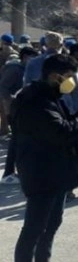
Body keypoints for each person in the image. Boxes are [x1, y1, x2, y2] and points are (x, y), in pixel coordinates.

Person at [10, 54, 78, 262]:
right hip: (41, 171)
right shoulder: (34, 101)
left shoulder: (50, 97)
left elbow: (66, 124)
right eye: (70, 77)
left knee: (51, 223)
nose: (72, 82)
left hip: (56, 169)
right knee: (33, 228)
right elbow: (62, 132)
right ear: (56, 76)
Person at [0, 47, 38, 186]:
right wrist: (15, 100)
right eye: (31, 57)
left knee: (19, 141)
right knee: (16, 141)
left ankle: (15, 171)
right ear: (24, 57)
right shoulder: (14, 69)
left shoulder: (26, 70)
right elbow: (3, 88)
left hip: (22, 110)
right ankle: (9, 173)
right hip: (15, 111)